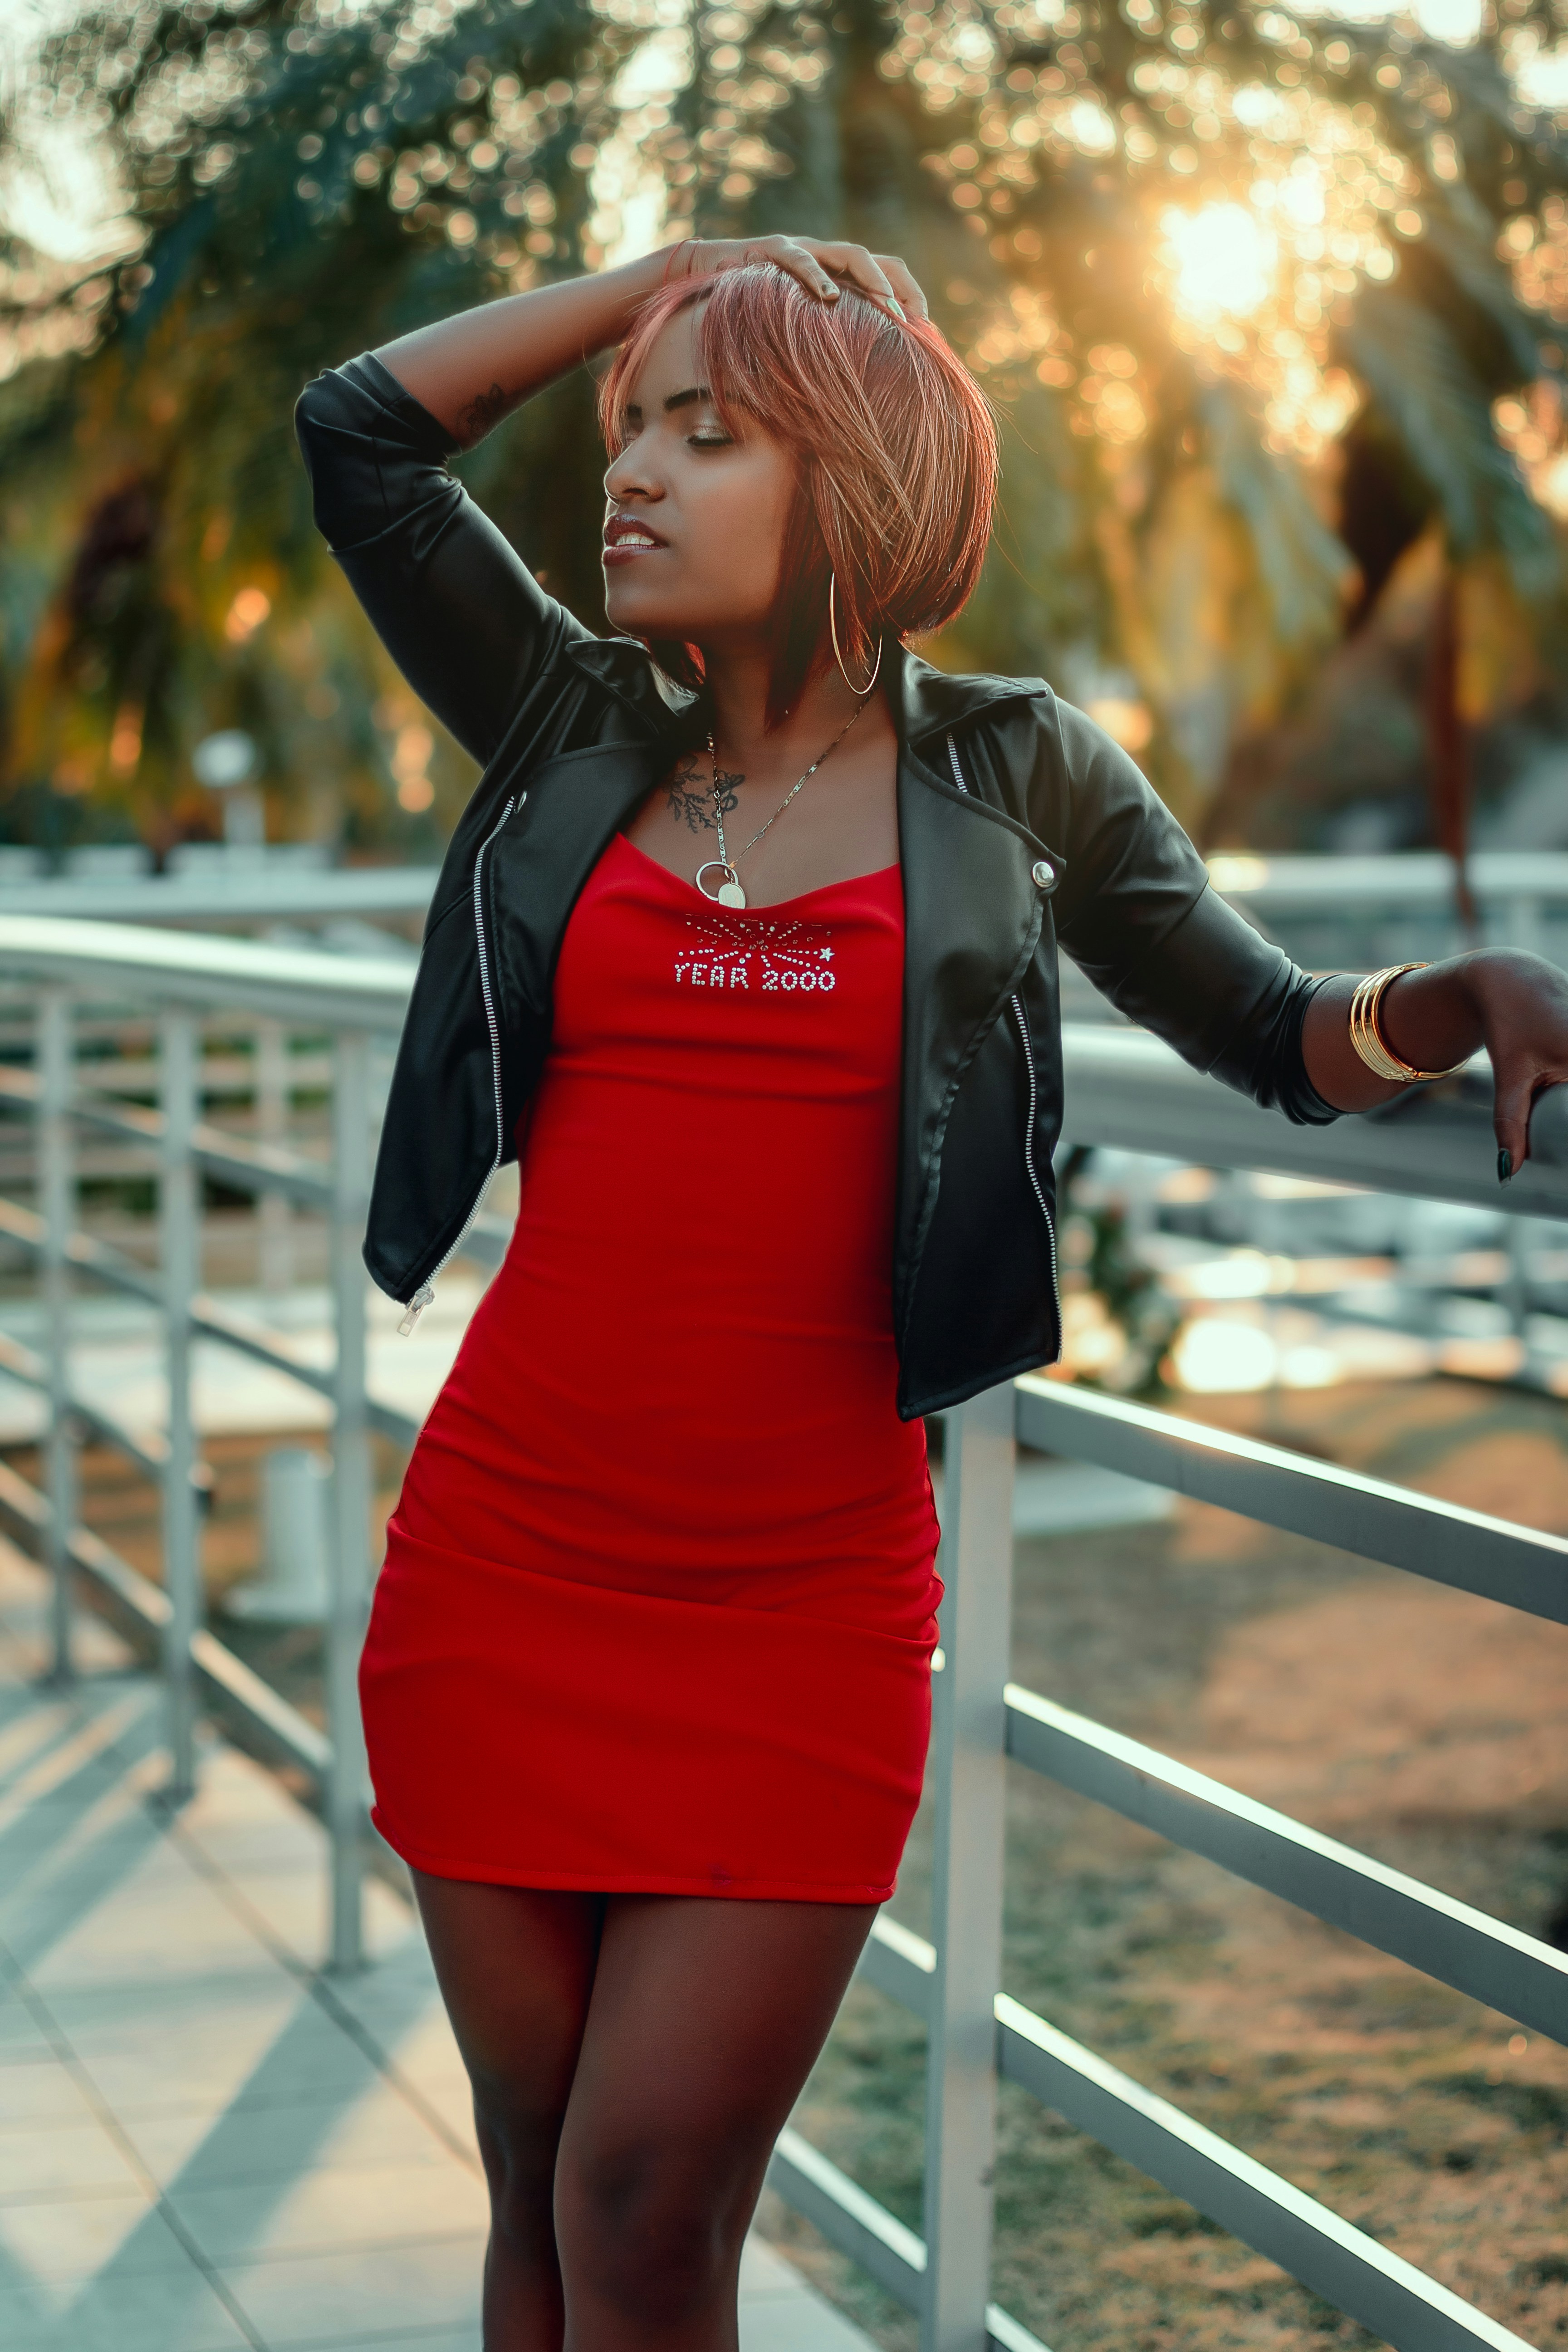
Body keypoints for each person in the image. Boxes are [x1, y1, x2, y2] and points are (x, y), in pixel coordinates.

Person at [294, 234, 1568, 2350]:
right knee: (535, 2195)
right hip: (505, 1573)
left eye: (709, 435)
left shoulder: (1019, 774)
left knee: (645, 2198)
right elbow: (361, 439)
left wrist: (1459, 997)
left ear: (861, 486)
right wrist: (661, 286)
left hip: (801, 1611)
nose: (632, 477)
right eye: (632, 431)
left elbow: (1279, 1035)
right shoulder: (567, 719)